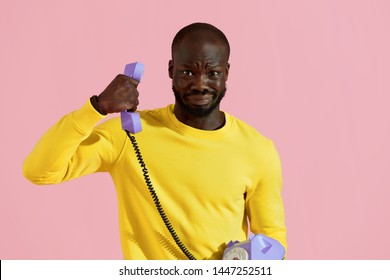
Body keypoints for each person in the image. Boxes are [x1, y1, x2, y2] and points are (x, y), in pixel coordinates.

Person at [23, 22, 287, 260]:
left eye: (213, 73)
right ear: (171, 70)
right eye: (187, 72)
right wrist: (97, 108)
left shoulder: (258, 150)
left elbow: (273, 240)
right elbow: (40, 172)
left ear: (227, 72)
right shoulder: (127, 136)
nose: (199, 84)